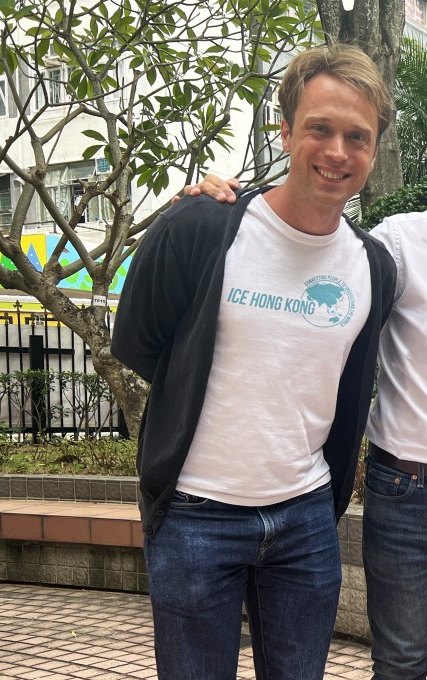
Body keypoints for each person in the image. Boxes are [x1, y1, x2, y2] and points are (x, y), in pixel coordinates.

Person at [188, 83, 427, 680]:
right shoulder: (399, 244)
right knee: (399, 662)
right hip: (405, 494)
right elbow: (314, 243)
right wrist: (227, 200)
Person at [111, 44, 396, 680]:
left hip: (304, 520)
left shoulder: (372, 266)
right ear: (286, 130)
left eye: (358, 136)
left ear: (374, 150)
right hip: (194, 515)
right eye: (320, 128)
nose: (338, 152)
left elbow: (351, 386)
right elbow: (139, 340)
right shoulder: (204, 226)